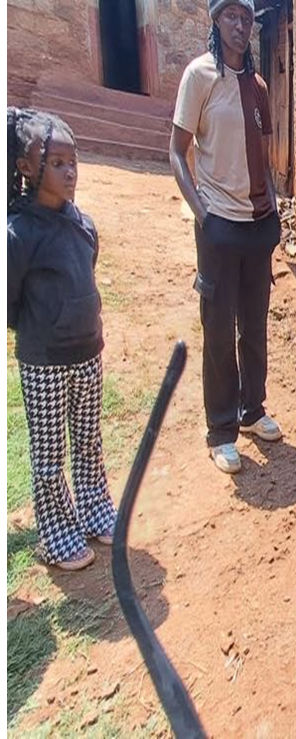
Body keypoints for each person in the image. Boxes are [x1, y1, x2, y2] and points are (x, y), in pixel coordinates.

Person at [169, 0, 283, 474]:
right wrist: (204, 216)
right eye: (231, 16)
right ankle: (220, 430)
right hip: (219, 226)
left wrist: (273, 210)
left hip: (257, 226)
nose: (240, 25)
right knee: (218, 329)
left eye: (246, 18)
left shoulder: (258, 87)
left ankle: (251, 410)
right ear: (216, 21)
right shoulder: (199, 76)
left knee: (253, 326)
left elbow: (265, 156)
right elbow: (176, 152)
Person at [7, 107, 115, 571]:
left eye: (73, 162)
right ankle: (56, 534)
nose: (69, 172)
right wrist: (42, 328)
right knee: (50, 455)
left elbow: (86, 274)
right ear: (26, 168)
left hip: (88, 352)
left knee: (88, 441)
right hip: (44, 361)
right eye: (56, 163)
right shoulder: (19, 234)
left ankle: (94, 509)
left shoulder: (83, 225)